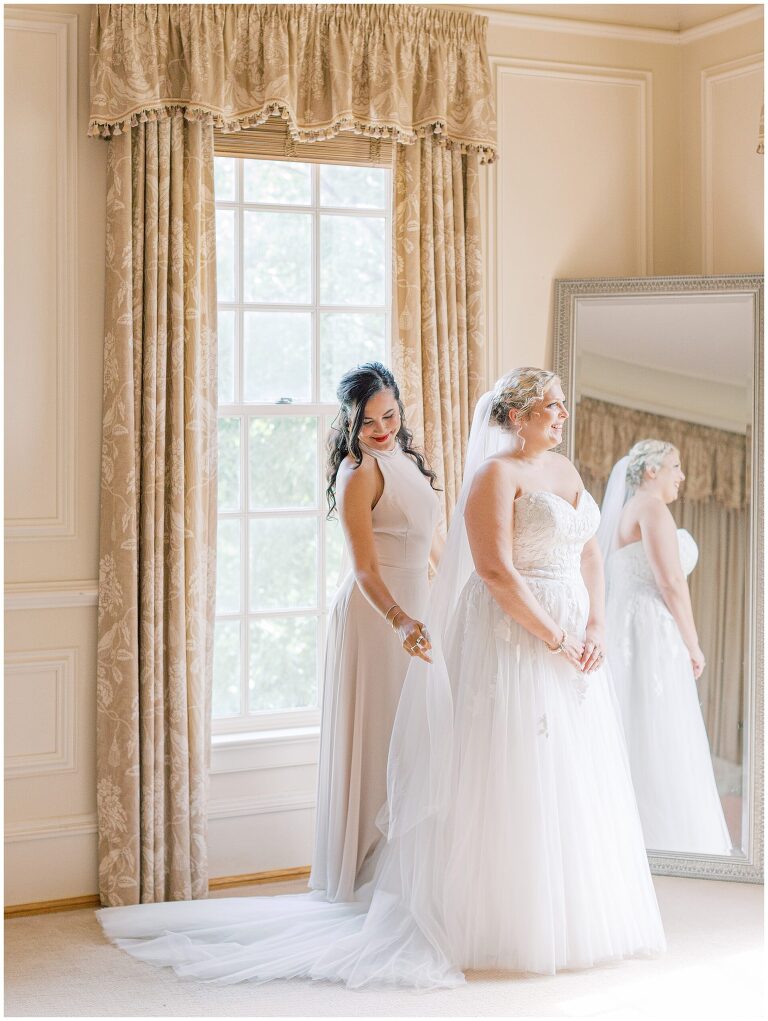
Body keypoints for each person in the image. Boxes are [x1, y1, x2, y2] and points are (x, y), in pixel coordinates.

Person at [97, 368, 665, 989]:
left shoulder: (564, 472)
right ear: (521, 414)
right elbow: (490, 570)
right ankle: (412, 888)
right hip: (493, 634)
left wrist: (597, 629)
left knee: (564, 770)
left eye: (390, 416)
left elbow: (585, 554)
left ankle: (566, 909)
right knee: (482, 760)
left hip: (560, 641)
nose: (562, 413)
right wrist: (543, 636)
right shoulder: (483, 476)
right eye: (550, 406)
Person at [311, 362, 441, 901]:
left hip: (416, 603)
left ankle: (410, 872)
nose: (382, 429)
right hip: (377, 614)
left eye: (389, 415)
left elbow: (431, 541)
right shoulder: (357, 472)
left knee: (416, 734)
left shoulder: (405, 458)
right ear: (350, 424)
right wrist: (402, 620)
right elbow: (364, 569)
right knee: (382, 734)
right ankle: (367, 874)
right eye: (368, 422)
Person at [596, 441, 733, 855]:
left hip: (629, 624)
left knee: (637, 719)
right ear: (651, 471)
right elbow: (671, 582)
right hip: (650, 630)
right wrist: (694, 645)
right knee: (658, 723)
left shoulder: (627, 511)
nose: (682, 475)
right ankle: (663, 841)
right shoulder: (652, 508)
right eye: (675, 466)